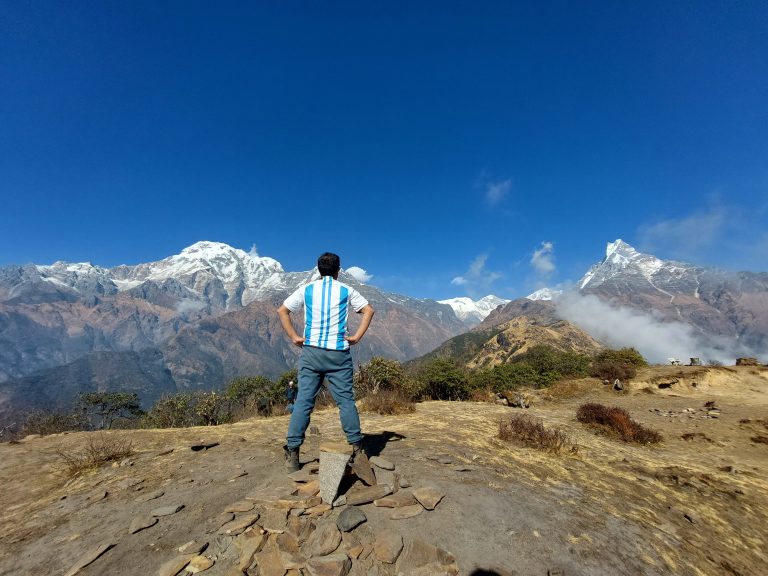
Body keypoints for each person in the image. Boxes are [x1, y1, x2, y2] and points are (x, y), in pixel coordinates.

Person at [277, 252, 375, 473]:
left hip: (311, 353)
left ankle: (293, 453)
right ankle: (357, 449)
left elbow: (282, 311)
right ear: (339, 270)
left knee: (303, 402)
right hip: (339, 354)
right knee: (346, 402)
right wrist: (357, 337)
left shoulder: (307, 289)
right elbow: (369, 310)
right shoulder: (346, 290)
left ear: (318, 269)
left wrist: (294, 337)